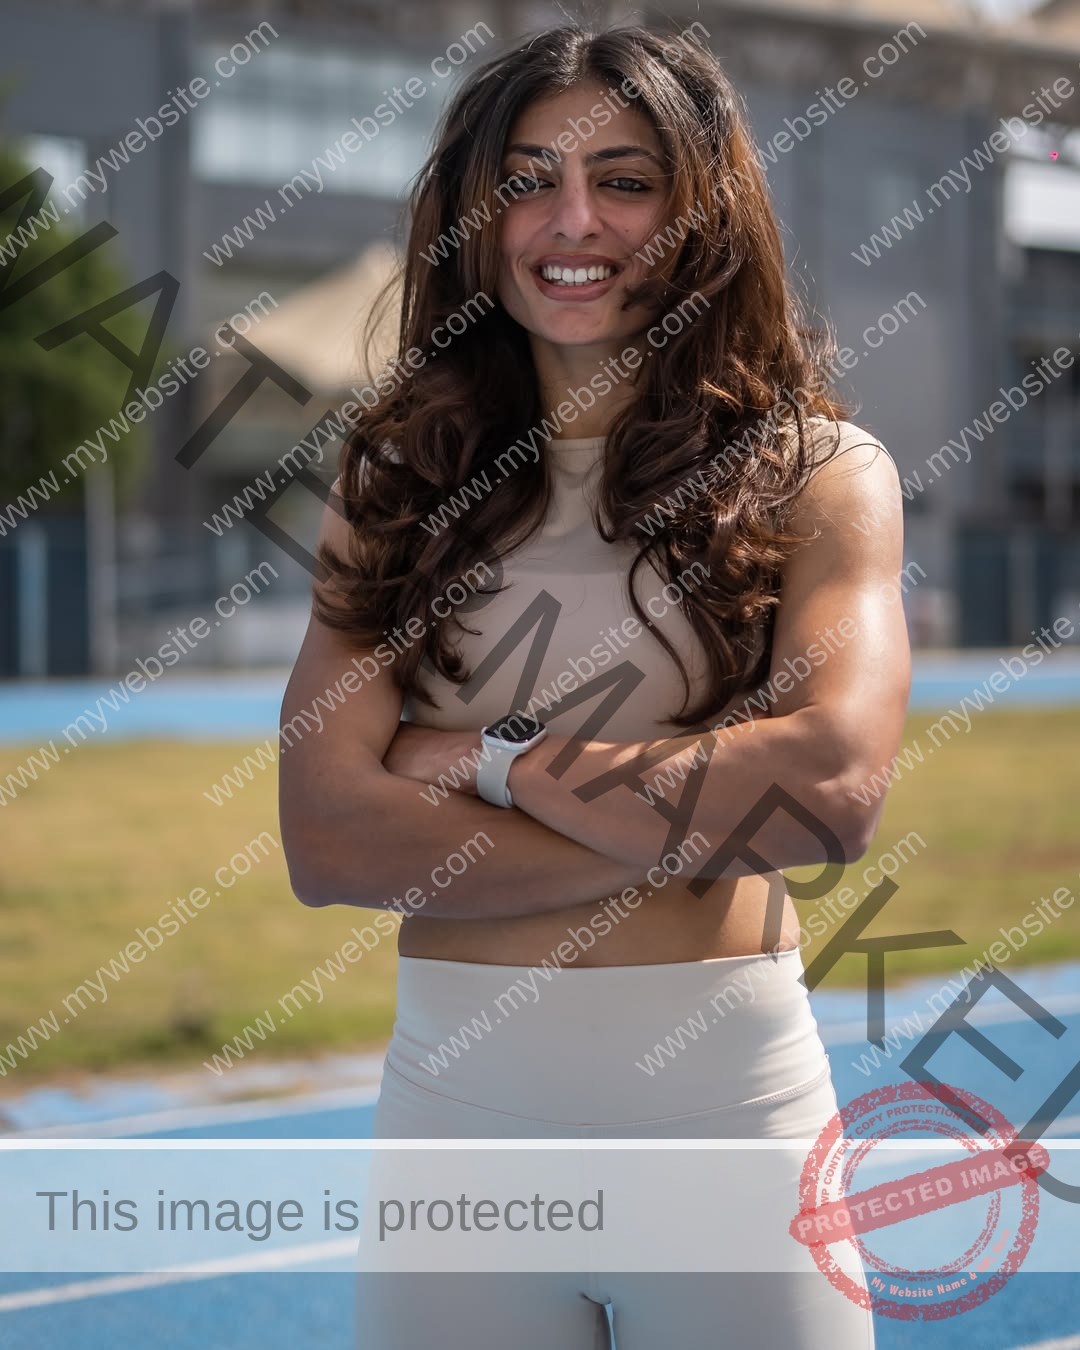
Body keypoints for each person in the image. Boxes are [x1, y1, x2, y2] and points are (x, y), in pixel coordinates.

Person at [280, 23, 908, 1349]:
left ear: (700, 211)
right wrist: (691, 823)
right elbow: (328, 836)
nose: (574, 221)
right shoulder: (395, 482)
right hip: (458, 1129)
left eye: (626, 181)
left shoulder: (818, 474)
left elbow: (829, 791)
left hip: (733, 1125)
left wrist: (489, 760)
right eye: (527, 182)